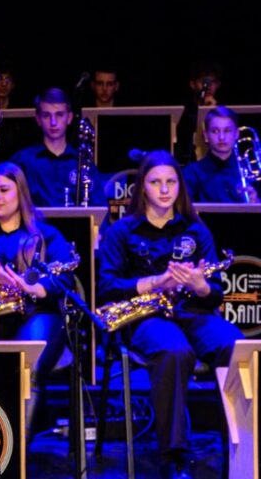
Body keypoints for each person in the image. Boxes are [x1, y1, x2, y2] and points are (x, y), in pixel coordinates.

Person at [97, 150, 242, 479]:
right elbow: (106, 286)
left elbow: (216, 292)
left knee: (234, 344)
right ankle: (173, 455)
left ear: (180, 186)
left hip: (193, 312)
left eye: (171, 182)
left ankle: (238, 446)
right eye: (155, 182)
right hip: (146, 317)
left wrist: (200, 286)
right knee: (174, 350)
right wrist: (154, 282)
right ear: (142, 187)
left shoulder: (196, 229)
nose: (164, 190)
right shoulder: (123, 231)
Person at [0, 162, 76, 430]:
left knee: (30, 366)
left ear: (21, 192)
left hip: (38, 313)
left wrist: (34, 288)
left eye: (4, 190)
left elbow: (64, 278)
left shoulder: (47, 235)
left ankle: (18, 450)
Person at [9, 87, 104, 207]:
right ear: (38, 119)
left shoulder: (82, 162)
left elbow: (99, 207)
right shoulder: (22, 161)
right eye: (46, 115)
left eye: (59, 115)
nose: (53, 122)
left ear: (69, 118)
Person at [183, 106, 259, 203]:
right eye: (215, 131)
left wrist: (256, 203)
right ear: (206, 135)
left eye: (227, 131)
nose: (221, 137)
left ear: (237, 134)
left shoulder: (251, 171)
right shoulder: (191, 173)